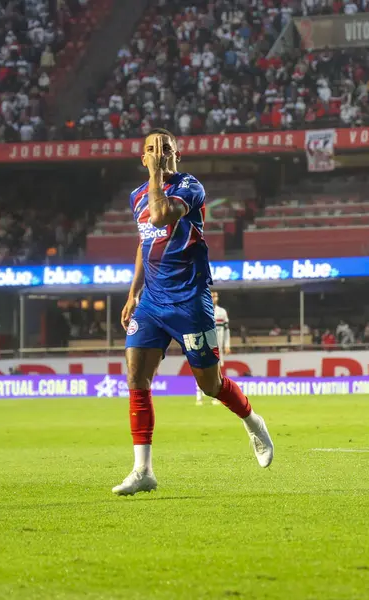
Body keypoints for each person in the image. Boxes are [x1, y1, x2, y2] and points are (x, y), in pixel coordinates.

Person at [112, 128, 274, 496]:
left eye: (165, 148)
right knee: (136, 377)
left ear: (177, 155)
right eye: (151, 149)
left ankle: (253, 422)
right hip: (152, 301)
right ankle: (143, 470)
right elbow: (145, 240)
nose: (158, 152)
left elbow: (159, 217)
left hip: (189, 299)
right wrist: (133, 293)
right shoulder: (136, 195)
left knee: (210, 385)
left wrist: (155, 174)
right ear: (141, 157)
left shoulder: (190, 187)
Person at [195, 290, 230, 406]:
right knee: (201, 370)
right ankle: (199, 396)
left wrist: (227, 345)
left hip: (218, 346)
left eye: (216, 296)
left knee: (217, 372)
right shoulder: (202, 309)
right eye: (213, 296)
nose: (215, 298)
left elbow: (226, 330)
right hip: (204, 345)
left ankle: (216, 397)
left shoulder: (222, 312)